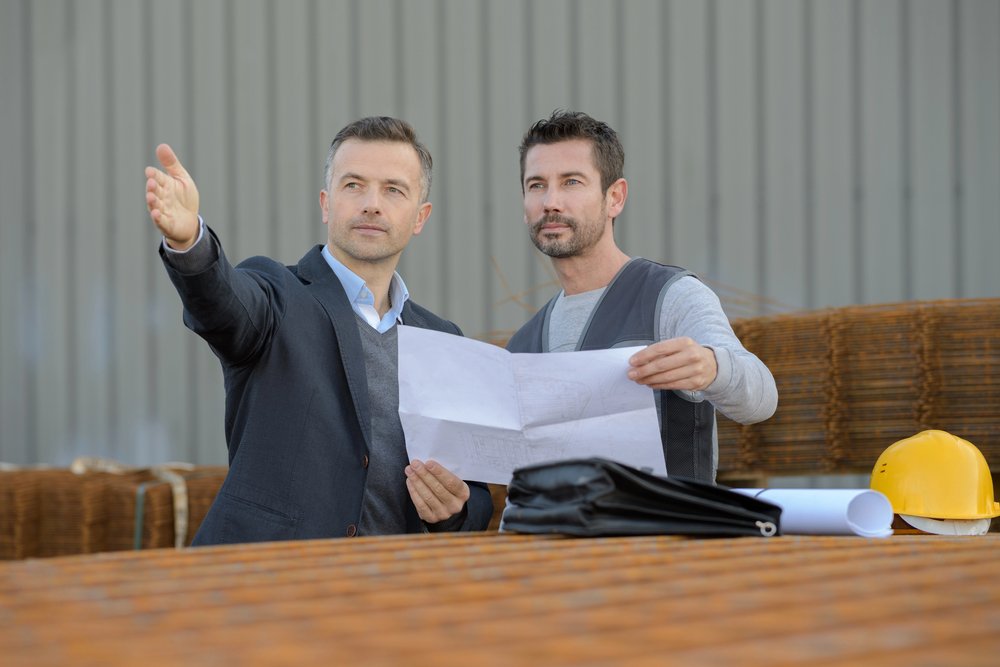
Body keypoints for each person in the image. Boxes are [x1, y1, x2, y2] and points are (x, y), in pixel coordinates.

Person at [144, 116, 493, 545]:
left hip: (394, 592)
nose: (371, 204)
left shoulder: (443, 340)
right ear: (326, 204)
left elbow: (476, 495)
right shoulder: (277, 295)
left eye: (393, 190)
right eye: (353, 185)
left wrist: (455, 509)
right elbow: (223, 304)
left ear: (419, 217)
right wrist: (190, 244)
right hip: (267, 582)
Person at [506, 110, 778, 483]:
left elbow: (761, 401)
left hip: (669, 536)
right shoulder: (523, 345)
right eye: (536, 185)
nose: (551, 201)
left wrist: (712, 367)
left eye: (571, 182)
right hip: (560, 539)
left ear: (614, 198)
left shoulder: (670, 298)